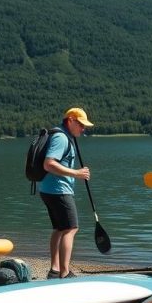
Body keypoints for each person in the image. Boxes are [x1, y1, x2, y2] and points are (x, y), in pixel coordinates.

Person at [40, 107, 93, 279]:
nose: (83, 129)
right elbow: (48, 164)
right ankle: (64, 272)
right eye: (81, 124)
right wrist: (76, 173)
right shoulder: (61, 138)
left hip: (48, 190)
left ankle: (54, 270)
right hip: (59, 190)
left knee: (59, 229)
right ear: (70, 120)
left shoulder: (62, 134)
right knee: (71, 228)